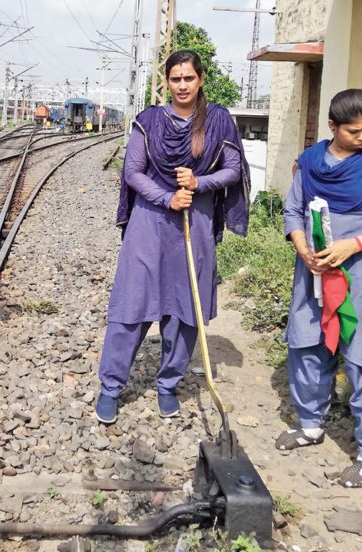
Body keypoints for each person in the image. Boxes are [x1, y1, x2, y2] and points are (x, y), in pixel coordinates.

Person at [94, 50, 250, 424]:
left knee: (185, 308)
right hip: (150, 222)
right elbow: (133, 171)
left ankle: (168, 384)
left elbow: (233, 169)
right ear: (167, 81)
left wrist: (200, 183)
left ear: (201, 79)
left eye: (189, 78)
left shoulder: (219, 120)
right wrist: (167, 197)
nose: (182, 85)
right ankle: (111, 387)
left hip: (194, 223)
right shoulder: (149, 120)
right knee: (132, 303)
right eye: (176, 79)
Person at [276, 89, 362, 488]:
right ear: (332, 127)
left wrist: (352, 244)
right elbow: (293, 210)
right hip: (315, 270)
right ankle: (309, 425)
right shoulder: (310, 162)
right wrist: (304, 250)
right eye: (355, 131)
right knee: (306, 342)